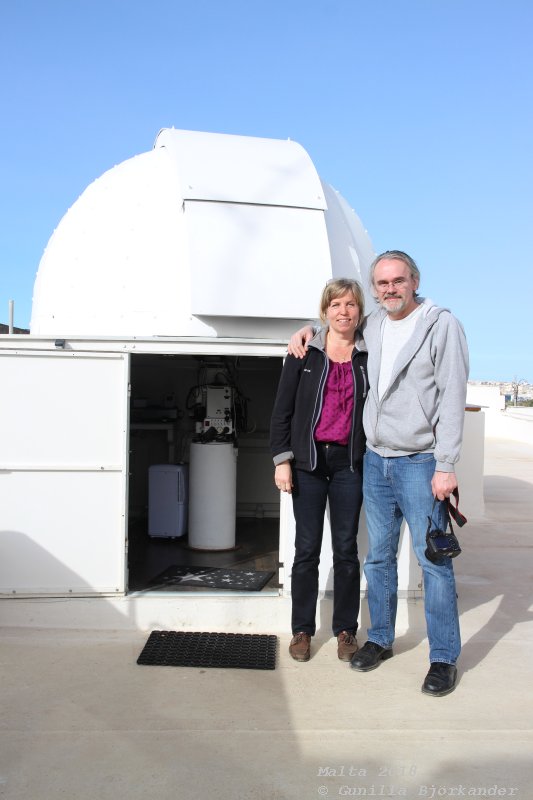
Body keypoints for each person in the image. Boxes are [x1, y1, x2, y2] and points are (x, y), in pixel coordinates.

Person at [288, 251, 469, 695]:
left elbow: (451, 395)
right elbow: (335, 325)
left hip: (421, 462)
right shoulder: (376, 325)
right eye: (382, 283)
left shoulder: (440, 323)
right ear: (375, 290)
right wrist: (302, 332)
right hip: (375, 461)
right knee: (379, 558)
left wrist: (446, 465)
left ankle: (443, 657)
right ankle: (382, 639)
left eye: (398, 281)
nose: (391, 289)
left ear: (415, 280)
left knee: (434, 562)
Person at [270, 278, 368, 663]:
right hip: (308, 464)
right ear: (325, 311)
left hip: (349, 464)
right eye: (336, 304)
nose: (343, 311)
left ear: (360, 311)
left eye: (350, 304)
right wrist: (282, 460)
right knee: (306, 550)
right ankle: (301, 630)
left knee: (346, 550)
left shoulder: (368, 354)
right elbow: (282, 410)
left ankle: (345, 630)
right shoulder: (304, 354)